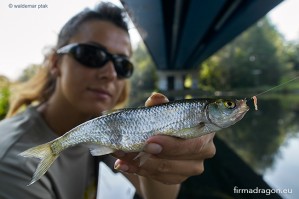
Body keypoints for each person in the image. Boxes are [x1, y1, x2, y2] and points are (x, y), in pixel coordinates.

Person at [0, 2, 215, 199]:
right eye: (92, 55)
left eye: (122, 65)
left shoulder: (107, 127)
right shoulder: (11, 165)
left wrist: (162, 169)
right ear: (56, 63)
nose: (111, 73)